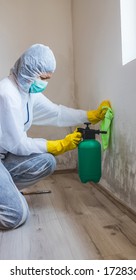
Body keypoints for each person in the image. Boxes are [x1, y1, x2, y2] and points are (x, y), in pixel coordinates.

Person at [0, 44, 111, 230]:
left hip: (4, 158)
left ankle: (6, 192)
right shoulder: (6, 94)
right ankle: (8, 197)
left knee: (47, 162)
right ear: (29, 70)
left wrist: (90, 115)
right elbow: (18, 144)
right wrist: (57, 145)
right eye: (43, 78)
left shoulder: (27, 92)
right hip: (7, 152)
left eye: (48, 78)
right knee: (16, 216)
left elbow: (57, 113)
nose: (45, 82)